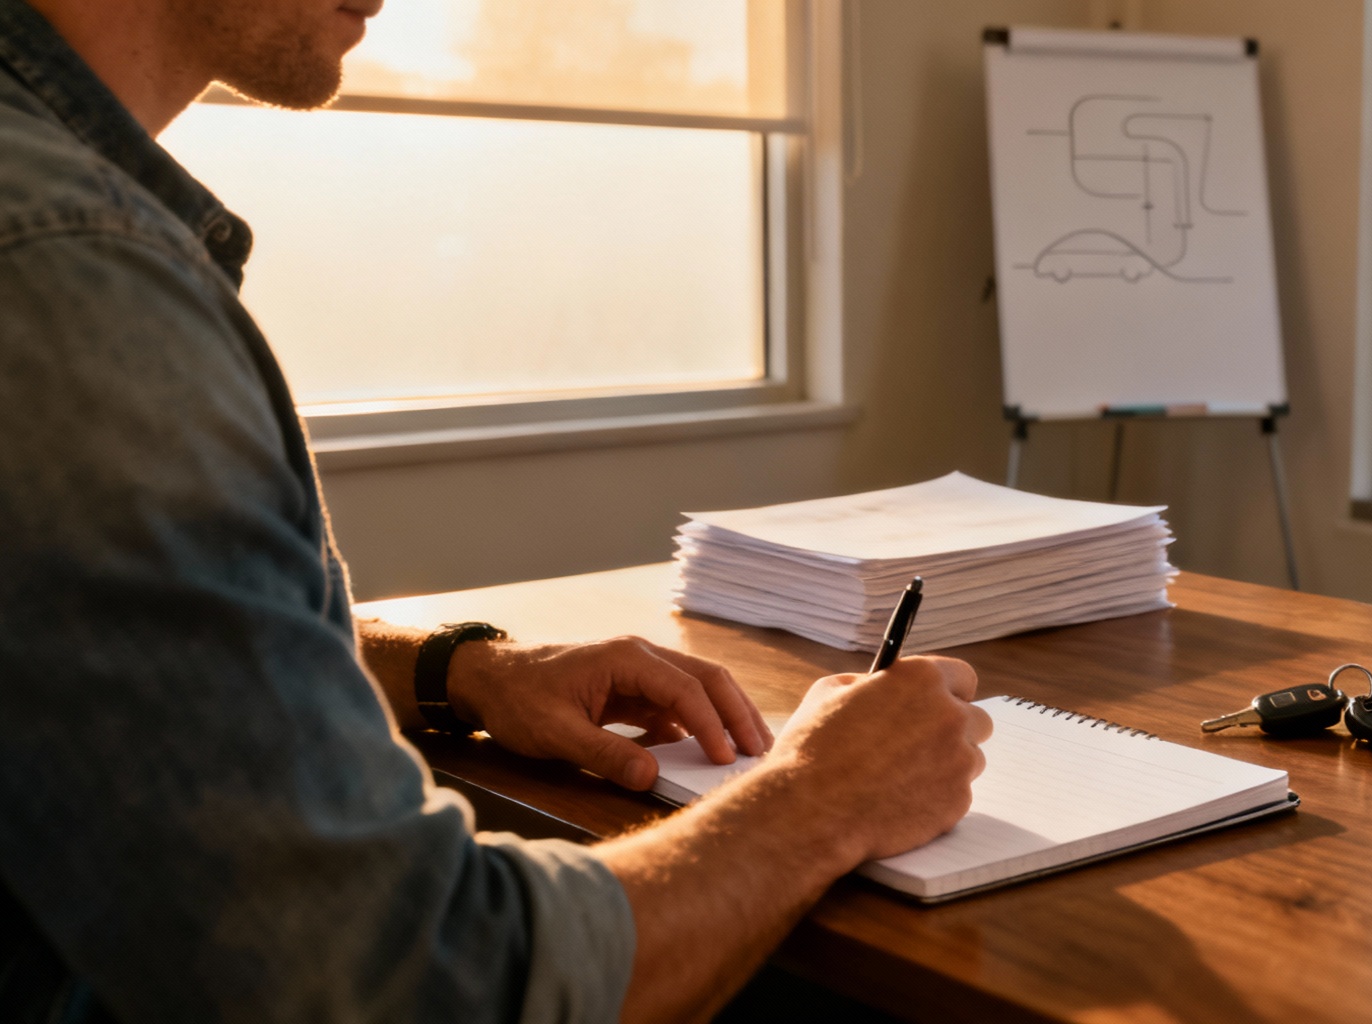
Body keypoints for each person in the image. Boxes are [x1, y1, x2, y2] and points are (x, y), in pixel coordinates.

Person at [0, 0, 993, 1021]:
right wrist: (823, 798)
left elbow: (90, 663)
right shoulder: (71, 275)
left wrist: (459, 670)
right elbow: (415, 983)